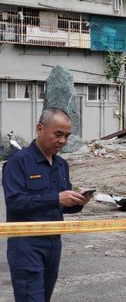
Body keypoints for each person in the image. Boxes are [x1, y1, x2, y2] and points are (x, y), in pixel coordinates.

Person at [2, 107, 90, 302]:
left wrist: (77, 202)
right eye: (58, 134)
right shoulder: (18, 163)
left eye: (67, 136)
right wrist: (57, 198)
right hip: (26, 245)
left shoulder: (61, 165)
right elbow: (15, 203)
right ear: (40, 129)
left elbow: (62, 205)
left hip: (53, 243)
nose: (63, 141)